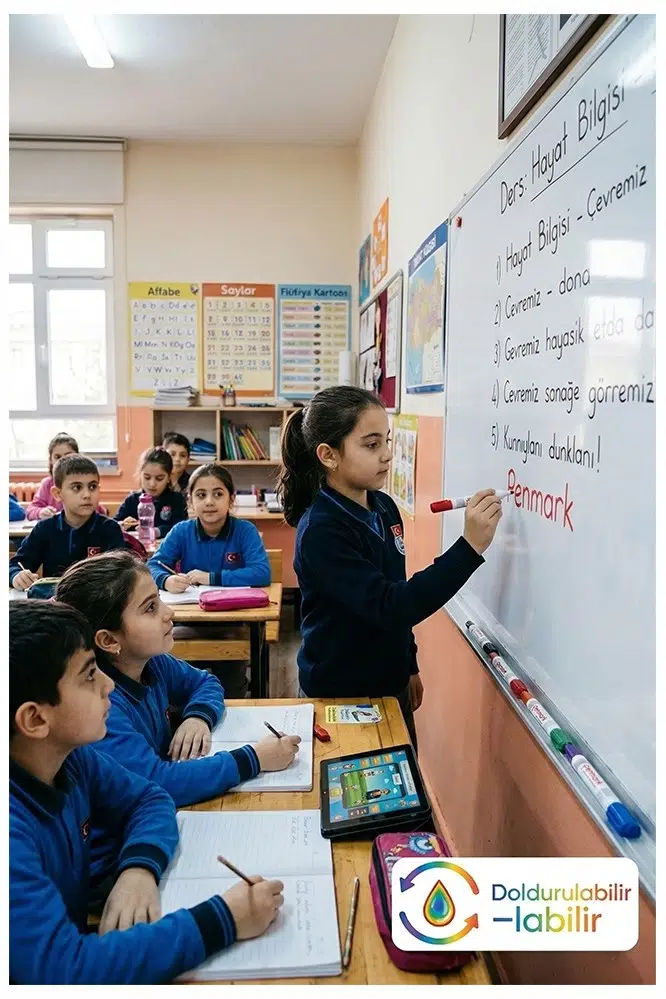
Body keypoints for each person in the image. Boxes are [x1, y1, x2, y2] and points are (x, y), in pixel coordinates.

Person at [9, 600, 285, 985]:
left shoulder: (73, 759)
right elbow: (64, 970)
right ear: (36, 719)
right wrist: (223, 919)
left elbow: (149, 798)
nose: (108, 685)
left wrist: (138, 868)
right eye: (89, 676)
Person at [277, 385, 502, 746]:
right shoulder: (322, 531)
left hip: (389, 683)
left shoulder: (383, 507)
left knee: (402, 777)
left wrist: (407, 664)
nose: (387, 455)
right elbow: (390, 605)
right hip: (340, 693)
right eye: (371, 445)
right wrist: (469, 548)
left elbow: (396, 585)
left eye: (387, 441)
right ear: (329, 455)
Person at [55, 550, 299, 862]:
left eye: (159, 600)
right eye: (150, 608)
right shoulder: (102, 707)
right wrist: (254, 758)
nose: (168, 612)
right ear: (109, 640)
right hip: (122, 853)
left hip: (160, 820)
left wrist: (197, 717)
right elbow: (158, 781)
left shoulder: (152, 662)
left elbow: (205, 682)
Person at [147, 464, 271, 699]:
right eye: (201, 495)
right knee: (181, 678)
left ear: (231, 499)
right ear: (190, 501)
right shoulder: (182, 531)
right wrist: (166, 579)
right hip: (189, 620)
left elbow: (261, 573)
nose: (209, 502)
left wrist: (211, 577)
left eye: (218, 494)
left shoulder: (244, 530)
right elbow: (152, 566)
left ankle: (232, 699)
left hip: (235, 621)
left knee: (231, 683)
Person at [10, 455, 124, 590]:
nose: (87, 495)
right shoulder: (45, 528)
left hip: (96, 600)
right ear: (58, 494)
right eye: (77, 488)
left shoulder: (110, 529)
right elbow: (15, 565)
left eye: (92, 487)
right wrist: (16, 576)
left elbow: (122, 573)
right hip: (54, 600)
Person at [25, 432, 107, 521]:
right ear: (50, 460)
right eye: (57, 457)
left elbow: (100, 512)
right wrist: (40, 512)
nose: (63, 461)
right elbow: (30, 510)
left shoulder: (87, 482)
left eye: (68, 455)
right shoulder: (47, 484)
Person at [115, 447, 187, 539]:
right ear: (140, 475)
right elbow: (112, 525)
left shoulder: (177, 500)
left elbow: (181, 527)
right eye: (147, 478)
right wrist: (121, 525)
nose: (152, 484)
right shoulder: (132, 500)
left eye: (159, 478)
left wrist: (158, 531)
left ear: (169, 477)